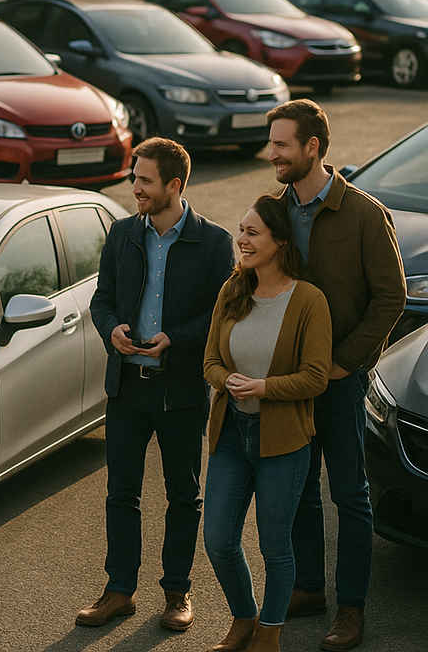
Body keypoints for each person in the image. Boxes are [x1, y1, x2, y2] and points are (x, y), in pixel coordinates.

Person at [78, 137, 235, 631]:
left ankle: (176, 593)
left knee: (182, 497)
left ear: (175, 185)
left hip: (181, 391)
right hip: (127, 387)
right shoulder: (122, 233)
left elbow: (221, 315)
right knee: (121, 494)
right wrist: (113, 331)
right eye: (134, 176)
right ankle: (119, 591)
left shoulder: (214, 243)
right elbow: (101, 301)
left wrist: (176, 339)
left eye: (144, 180)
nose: (134, 187)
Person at [266, 99, 405, 651]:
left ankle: (351, 608)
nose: (271, 153)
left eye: (281, 144)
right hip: (290, 384)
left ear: (312, 148)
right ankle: (308, 587)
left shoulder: (366, 215)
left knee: (349, 495)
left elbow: (391, 298)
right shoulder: (276, 211)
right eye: (271, 143)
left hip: (341, 381)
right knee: (299, 489)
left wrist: (345, 363)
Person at [204, 195, 333, 652]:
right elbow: (211, 361)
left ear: (280, 241)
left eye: (252, 232)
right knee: (218, 539)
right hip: (231, 437)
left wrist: (264, 388)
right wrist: (229, 381)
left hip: (283, 443)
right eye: (241, 229)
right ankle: (244, 617)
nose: (241, 239)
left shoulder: (308, 300)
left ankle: (269, 633)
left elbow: (316, 377)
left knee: (276, 548)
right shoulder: (233, 290)